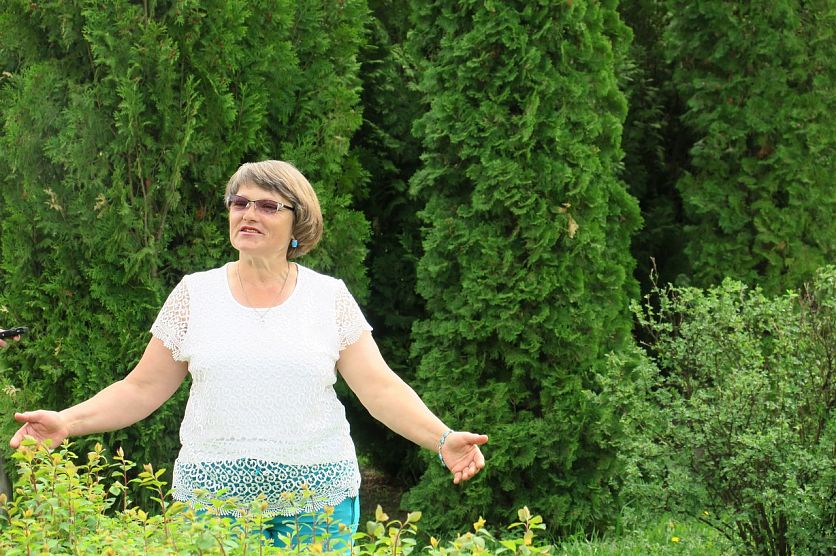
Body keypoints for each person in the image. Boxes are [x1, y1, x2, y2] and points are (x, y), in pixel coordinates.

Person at [9, 160, 488, 551]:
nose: (248, 214)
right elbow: (141, 387)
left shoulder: (328, 298)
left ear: (298, 222)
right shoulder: (194, 295)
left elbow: (379, 388)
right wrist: (67, 421)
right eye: (239, 203)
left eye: (267, 205)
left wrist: (442, 439)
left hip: (316, 504)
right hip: (212, 504)